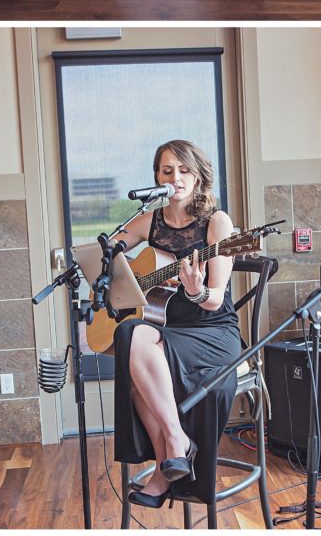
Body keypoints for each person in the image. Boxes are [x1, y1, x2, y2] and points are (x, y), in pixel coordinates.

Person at [112, 139, 241, 509]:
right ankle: (175, 444)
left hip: (212, 330)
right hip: (166, 327)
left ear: (199, 176)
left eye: (184, 170)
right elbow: (107, 257)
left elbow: (215, 299)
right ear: (157, 177)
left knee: (140, 371)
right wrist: (121, 280)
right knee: (127, 333)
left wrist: (196, 290)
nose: (176, 178)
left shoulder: (217, 223)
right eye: (167, 171)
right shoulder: (147, 221)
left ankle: (164, 465)